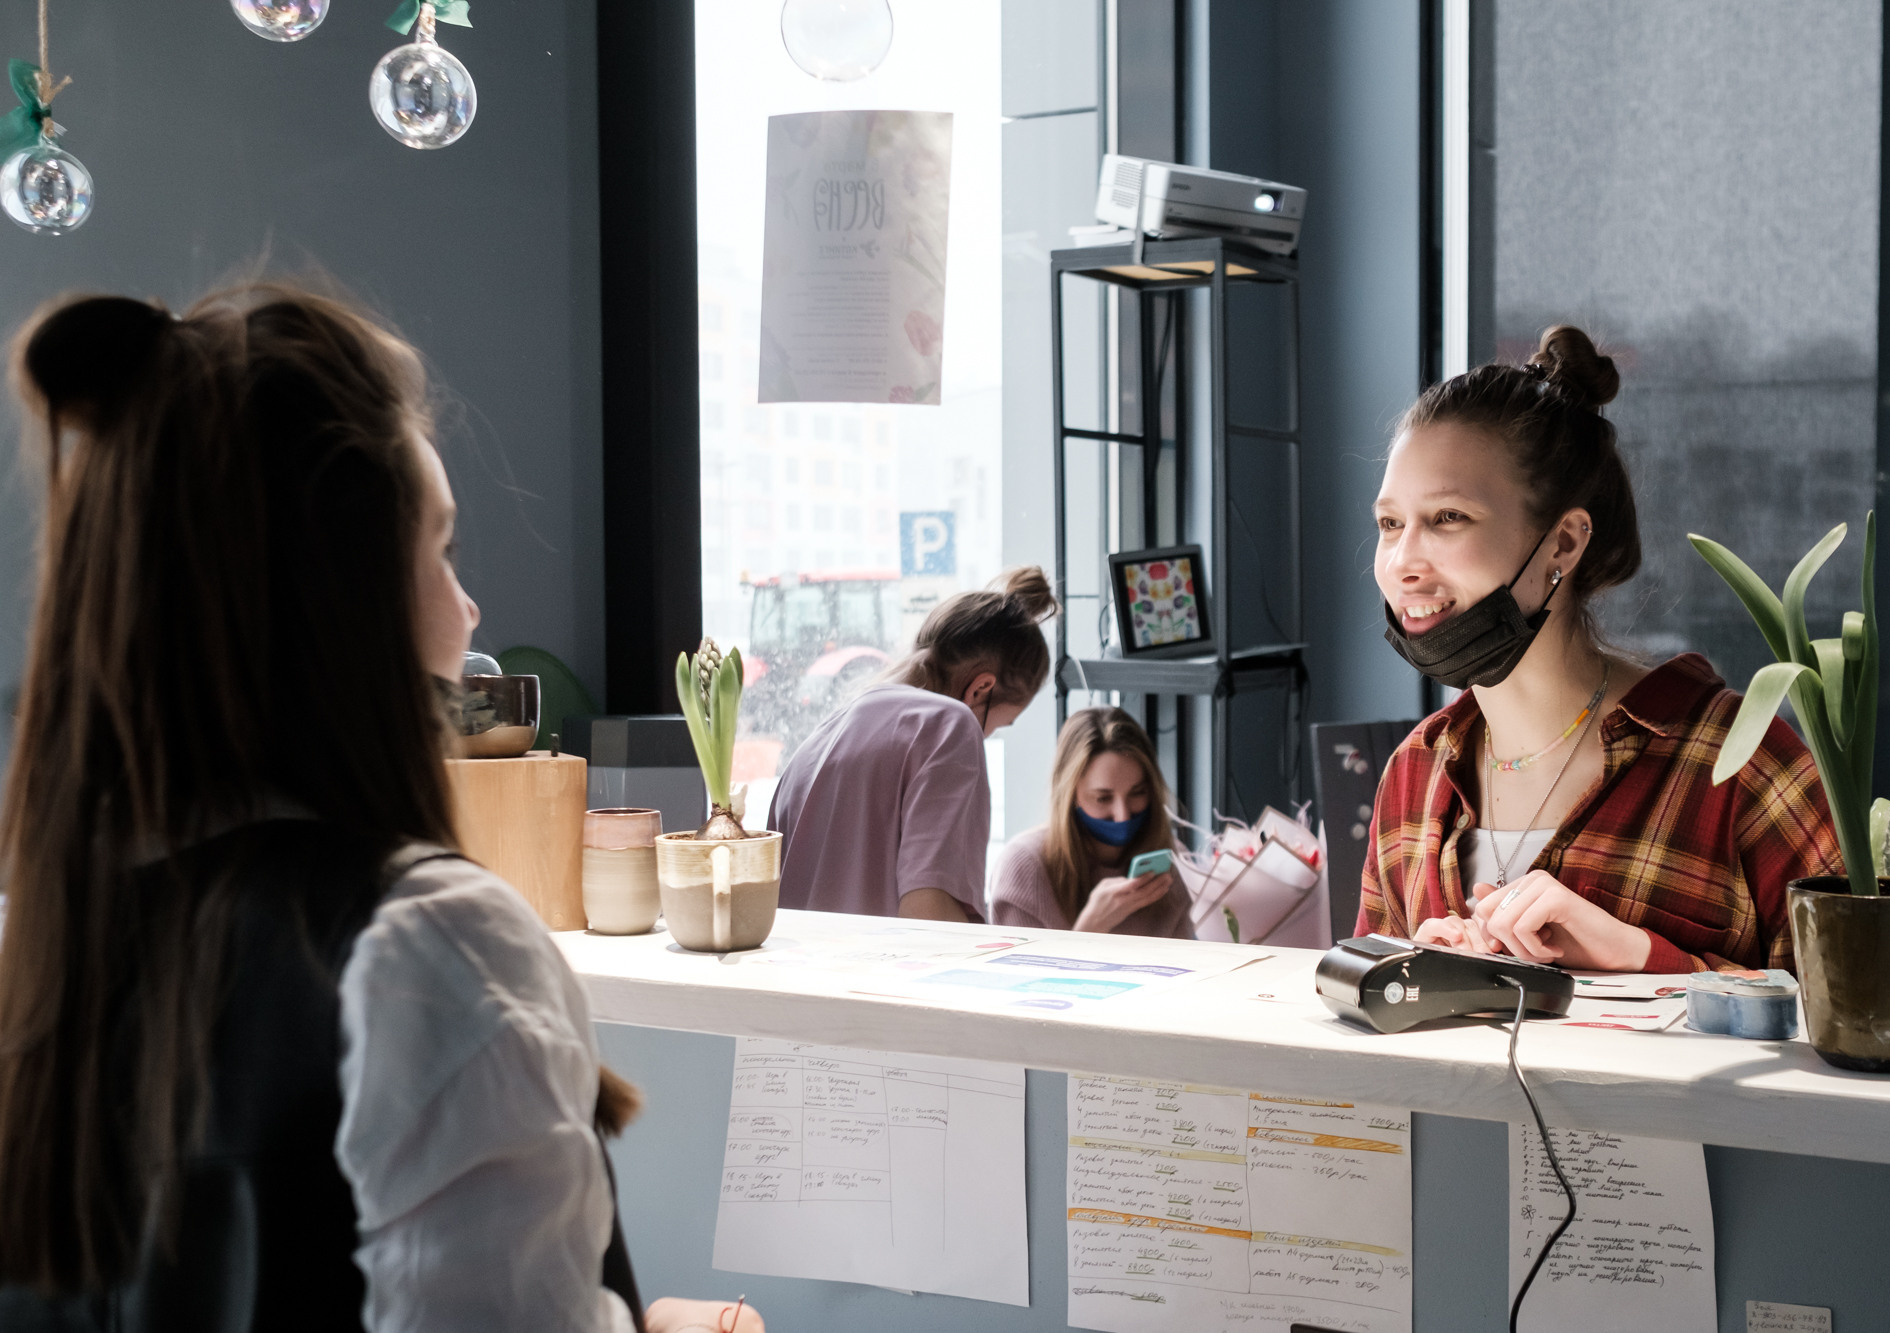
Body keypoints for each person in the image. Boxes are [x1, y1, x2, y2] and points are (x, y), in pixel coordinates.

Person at [0, 286, 761, 1333]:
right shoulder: (433, 948)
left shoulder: (46, 953)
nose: (468, 608)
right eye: (440, 549)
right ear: (339, 599)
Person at [1358, 325, 1840, 973]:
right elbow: (1361, 1012)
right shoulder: (1413, 775)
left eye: (1448, 518)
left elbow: (1856, 1017)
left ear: (1563, 542)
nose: (1402, 563)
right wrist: (1424, 974)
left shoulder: (1741, 763)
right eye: (1390, 523)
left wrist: (1638, 955)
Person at [772, 567, 1055, 922]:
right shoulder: (950, 725)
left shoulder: (816, 743)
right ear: (980, 689)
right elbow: (929, 914)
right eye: (997, 726)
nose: (985, 736)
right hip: (883, 960)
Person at [989, 707, 1193, 936]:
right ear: (1070, 796)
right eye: (1103, 798)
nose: (1123, 815)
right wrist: (1091, 927)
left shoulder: (1173, 861)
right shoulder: (1023, 867)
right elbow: (1020, 961)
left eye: (1137, 793)